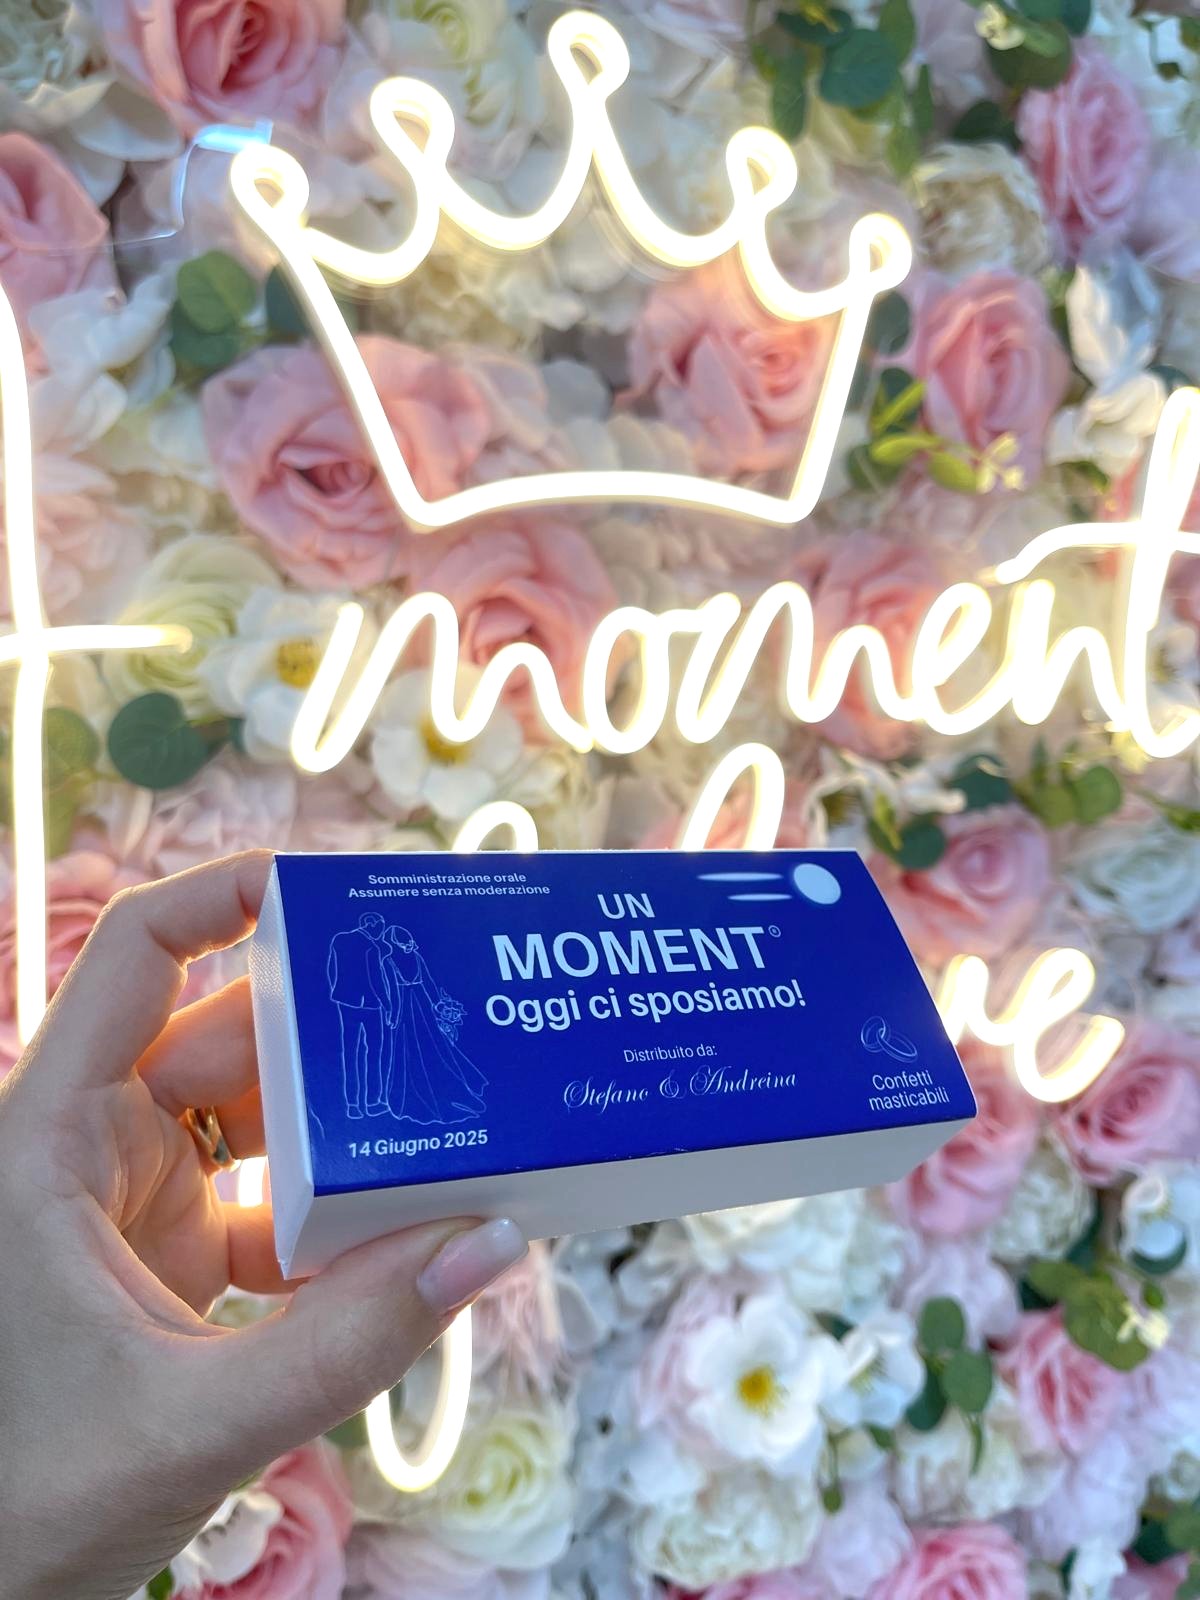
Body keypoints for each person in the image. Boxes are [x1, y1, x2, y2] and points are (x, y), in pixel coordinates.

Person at [0, 851, 527, 1600]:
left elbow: (395, 977)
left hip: (384, 1015)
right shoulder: (353, 947)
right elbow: (345, 980)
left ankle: (380, 1102)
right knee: (366, 1073)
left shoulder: (385, 949)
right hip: (358, 1013)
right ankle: (375, 1103)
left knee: (382, 1072)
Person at [380, 923, 488, 1125]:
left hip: (406, 1006)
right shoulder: (414, 957)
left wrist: (394, 1015)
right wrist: (437, 1005)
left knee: (409, 1047)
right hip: (421, 1002)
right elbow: (428, 983)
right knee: (431, 1043)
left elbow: (393, 991)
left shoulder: (388, 961)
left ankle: (419, 1091)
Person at [326, 910, 390, 1117]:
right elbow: (376, 979)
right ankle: (372, 1103)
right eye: (380, 925)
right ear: (370, 924)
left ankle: (353, 1106)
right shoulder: (371, 947)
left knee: (350, 1052)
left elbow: (332, 969)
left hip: (345, 1002)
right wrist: (387, 1004)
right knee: (374, 1052)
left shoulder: (339, 939)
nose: (382, 929)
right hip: (370, 1005)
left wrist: (337, 991)